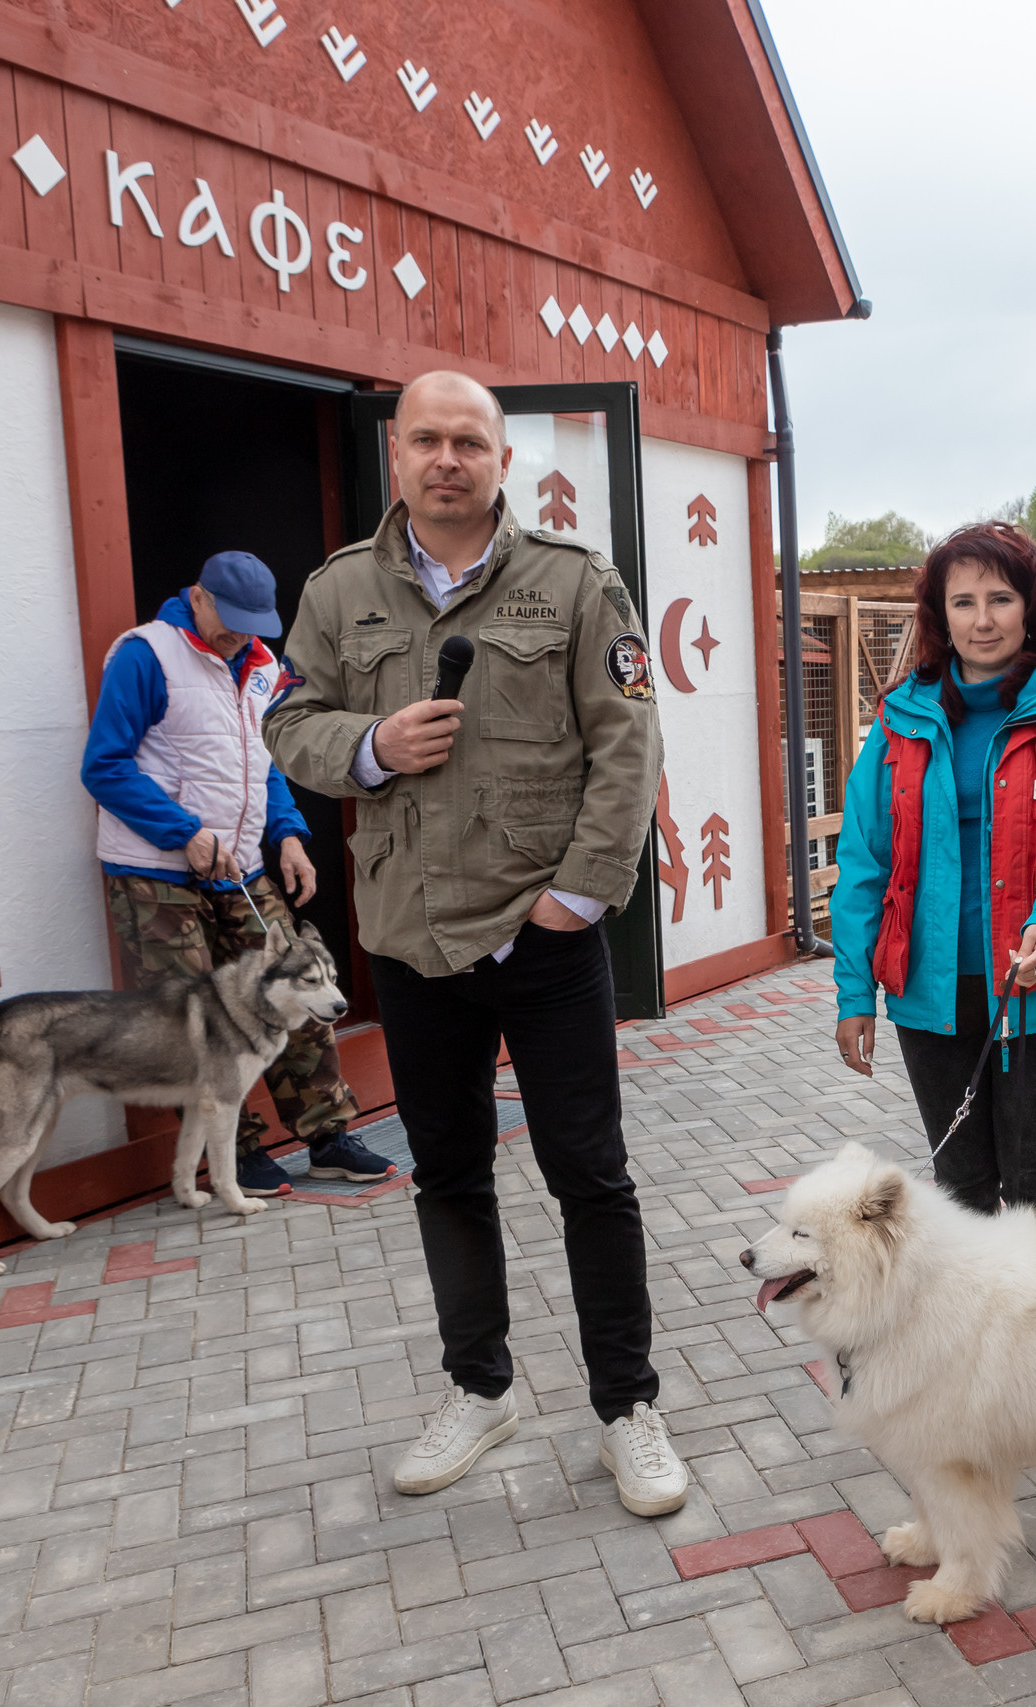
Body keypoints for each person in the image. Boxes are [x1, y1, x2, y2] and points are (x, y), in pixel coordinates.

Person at [264, 370, 688, 1516]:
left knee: (589, 1177)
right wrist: (370, 744)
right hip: (410, 942)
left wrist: (579, 901)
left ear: (503, 461)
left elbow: (629, 744)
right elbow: (287, 721)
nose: (447, 460)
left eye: (470, 442)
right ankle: (479, 1387)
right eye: (427, 442)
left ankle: (626, 1407)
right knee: (446, 1172)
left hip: (542, 937)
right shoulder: (338, 592)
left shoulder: (573, 582)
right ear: (395, 455)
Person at [830, 523, 1036, 1212]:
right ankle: (972, 1322)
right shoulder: (898, 721)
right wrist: (855, 993)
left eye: (1000, 598)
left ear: (1031, 605)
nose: (982, 619)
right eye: (963, 601)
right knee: (960, 1186)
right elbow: (862, 863)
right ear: (939, 613)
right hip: (927, 987)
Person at [81, 551, 385, 1197]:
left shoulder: (262, 666)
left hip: (242, 866)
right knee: (190, 1021)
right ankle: (236, 1151)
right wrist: (183, 833)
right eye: (230, 620)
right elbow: (104, 767)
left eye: (254, 624)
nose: (240, 635)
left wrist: (290, 835)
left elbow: (265, 762)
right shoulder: (145, 654)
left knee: (301, 989)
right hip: (155, 873)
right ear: (198, 597)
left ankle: (328, 1135)